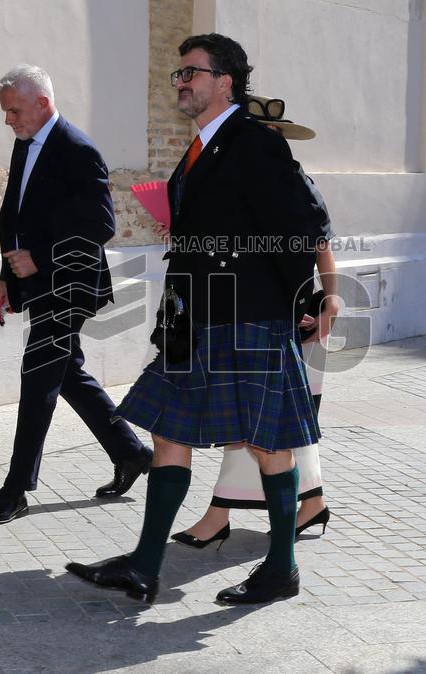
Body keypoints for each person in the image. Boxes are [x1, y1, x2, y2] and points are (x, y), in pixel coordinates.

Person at [65, 34, 324, 605]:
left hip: (246, 314)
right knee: (169, 431)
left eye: (191, 73)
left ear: (224, 81)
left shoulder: (254, 143)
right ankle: (145, 564)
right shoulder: (201, 147)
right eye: (178, 74)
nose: (181, 82)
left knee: (269, 444)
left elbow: (296, 231)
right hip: (194, 315)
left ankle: (282, 567)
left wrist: (302, 304)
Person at [0, 65, 153, 525]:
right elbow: (14, 215)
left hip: (69, 282)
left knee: (38, 379)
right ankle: (130, 453)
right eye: (7, 112)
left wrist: (42, 260)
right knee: (66, 372)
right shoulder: (25, 143)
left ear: (42, 103)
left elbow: (100, 226)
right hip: (37, 280)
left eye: (14, 110)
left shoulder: (77, 149)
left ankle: (15, 490)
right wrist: (6, 279)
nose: (9, 120)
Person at [171, 96, 335, 550]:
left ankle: (227, 514)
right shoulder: (239, 177)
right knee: (268, 426)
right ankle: (307, 502)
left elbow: (320, 244)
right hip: (249, 310)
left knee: (267, 426)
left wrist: (331, 301)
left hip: (288, 314)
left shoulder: (295, 181)